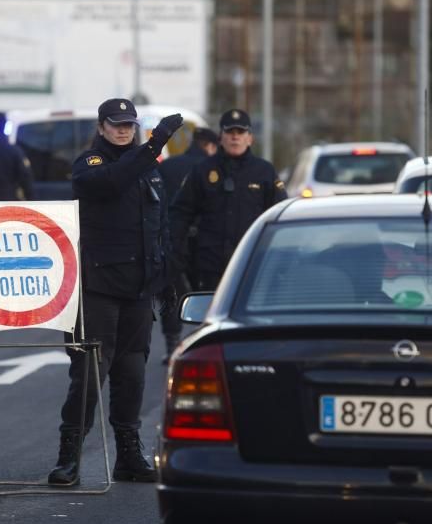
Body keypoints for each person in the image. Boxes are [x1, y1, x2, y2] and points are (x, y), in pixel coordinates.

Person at [48, 98, 183, 486]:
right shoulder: (91, 163)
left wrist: (167, 275)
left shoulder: (149, 171)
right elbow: (110, 183)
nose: (123, 130)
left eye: (129, 124)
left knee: (133, 374)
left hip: (139, 289)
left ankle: (128, 455)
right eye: (116, 124)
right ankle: (68, 457)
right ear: (102, 126)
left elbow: (160, 226)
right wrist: (154, 145)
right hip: (98, 288)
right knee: (89, 374)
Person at [170, 108, 288, 292]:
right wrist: (177, 255)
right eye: (230, 132)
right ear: (220, 137)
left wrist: (279, 258)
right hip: (210, 266)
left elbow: (280, 215)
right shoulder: (202, 170)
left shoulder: (264, 172)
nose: (235, 137)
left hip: (252, 263)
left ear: (250, 138)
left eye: (240, 132)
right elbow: (180, 214)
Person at [156, 127, 219, 361]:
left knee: (171, 292)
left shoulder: (168, 165)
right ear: (211, 146)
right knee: (206, 293)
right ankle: (203, 344)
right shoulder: (213, 168)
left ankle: (172, 345)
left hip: (170, 238)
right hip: (205, 240)